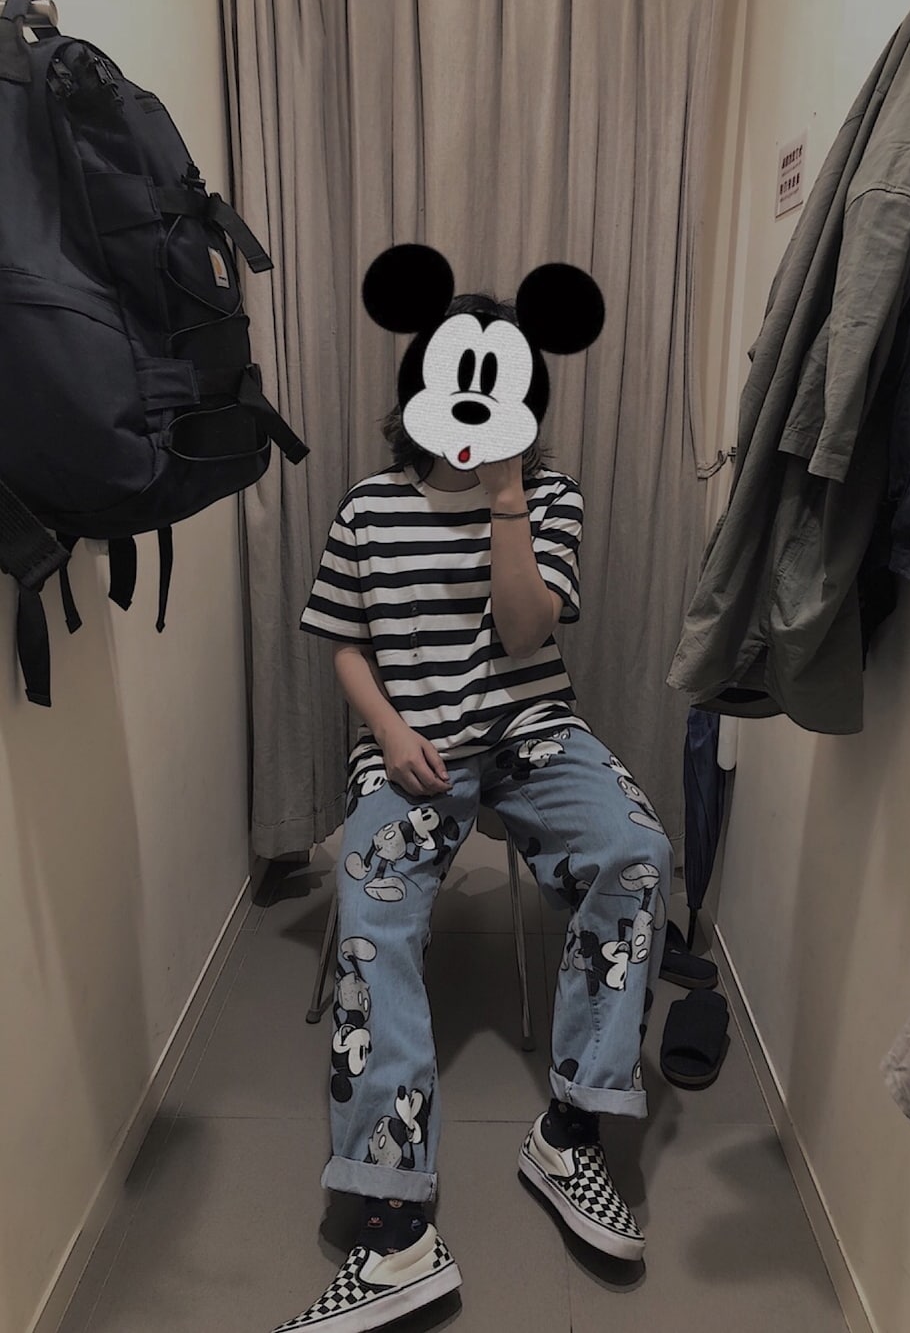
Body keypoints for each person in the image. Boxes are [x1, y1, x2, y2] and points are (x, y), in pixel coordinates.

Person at [275, 291, 672, 1333]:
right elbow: (345, 639)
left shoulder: (550, 498)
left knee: (635, 851)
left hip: (533, 731)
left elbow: (525, 629)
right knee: (372, 921)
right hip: (409, 745)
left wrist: (505, 495)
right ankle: (394, 1230)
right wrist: (388, 730)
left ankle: (570, 1135)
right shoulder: (368, 506)